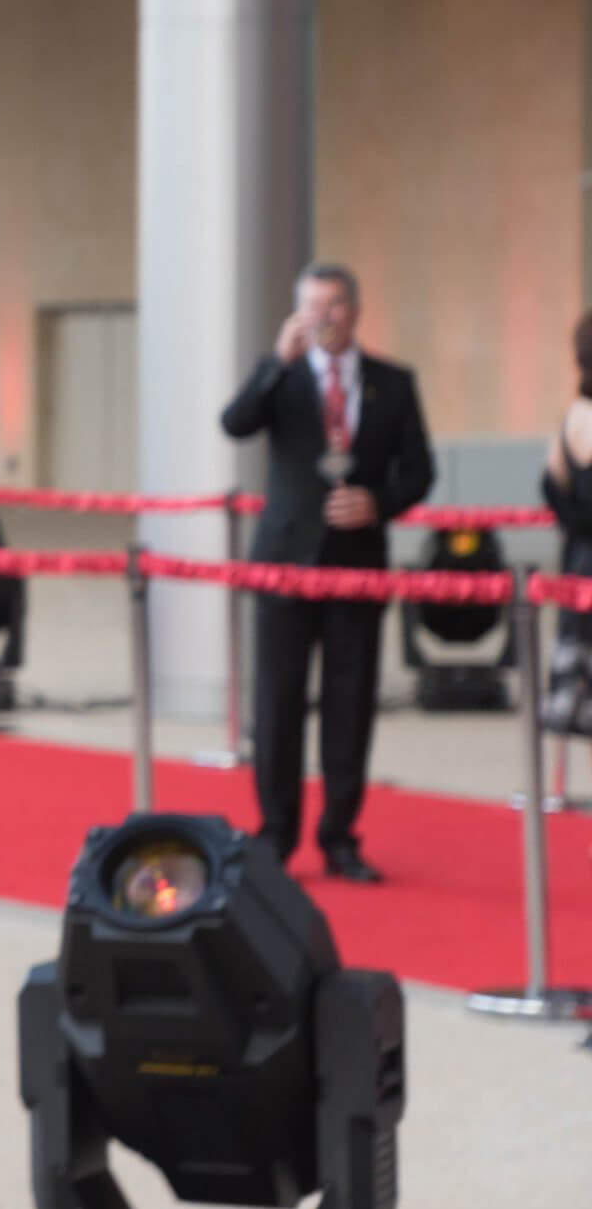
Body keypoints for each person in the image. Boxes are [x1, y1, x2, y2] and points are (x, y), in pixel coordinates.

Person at [221, 262, 435, 883]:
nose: (324, 318)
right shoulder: (281, 379)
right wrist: (273, 363)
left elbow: (419, 472)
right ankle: (275, 837)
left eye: (334, 305)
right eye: (311, 307)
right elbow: (234, 424)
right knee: (279, 703)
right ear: (296, 314)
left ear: (356, 310)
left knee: (350, 705)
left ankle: (340, 836)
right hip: (285, 564)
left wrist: (379, 503)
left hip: (357, 566)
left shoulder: (392, 384)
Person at [539, 314, 592, 738]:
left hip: (580, 558)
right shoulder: (584, 416)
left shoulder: (575, 414)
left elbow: (550, 483)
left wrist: (571, 524)